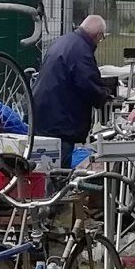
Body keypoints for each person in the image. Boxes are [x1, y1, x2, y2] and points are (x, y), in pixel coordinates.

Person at [31, 13, 111, 164]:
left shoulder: (63, 41)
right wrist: (105, 96)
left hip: (43, 111)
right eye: (101, 38)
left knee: (43, 163)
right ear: (98, 35)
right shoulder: (81, 51)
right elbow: (88, 84)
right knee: (58, 166)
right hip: (60, 121)